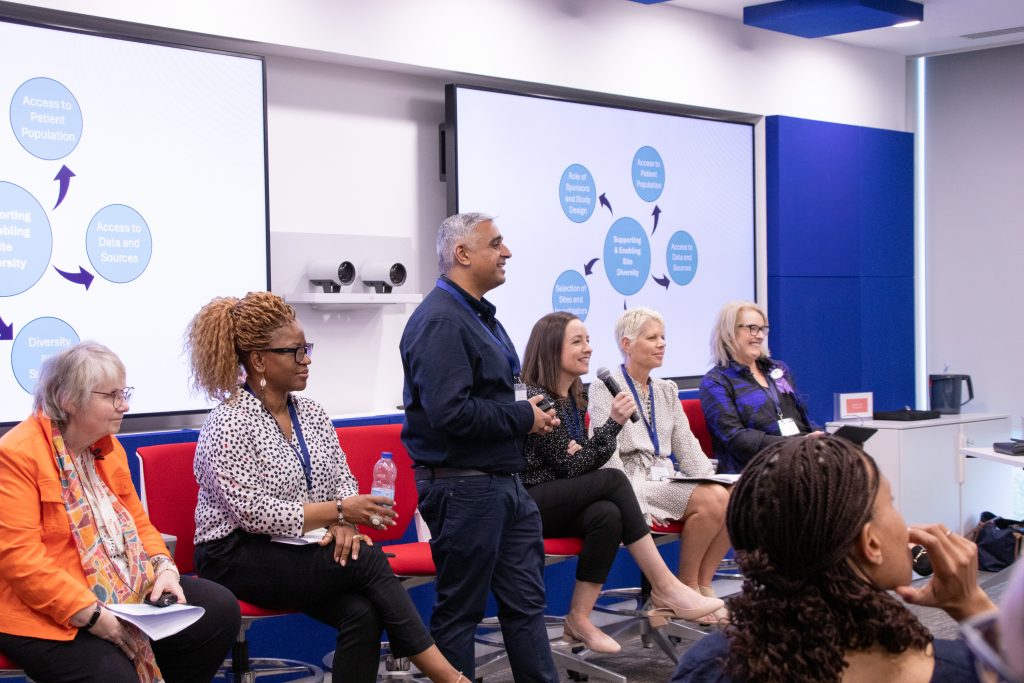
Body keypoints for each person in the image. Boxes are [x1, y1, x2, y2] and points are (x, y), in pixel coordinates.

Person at [186, 291, 463, 683]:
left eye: (307, 349)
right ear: (259, 360)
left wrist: (344, 525)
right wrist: (339, 513)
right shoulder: (228, 422)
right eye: (295, 352)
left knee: (362, 614)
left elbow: (342, 480)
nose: (307, 360)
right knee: (367, 560)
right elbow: (254, 514)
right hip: (233, 554)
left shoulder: (312, 413)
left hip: (294, 546)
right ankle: (449, 677)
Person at [0, 341, 240, 683]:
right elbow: (21, 562)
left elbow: (140, 525)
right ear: (69, 400)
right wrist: (91, 615)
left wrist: (164, 569)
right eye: (112, 396)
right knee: (113, 676)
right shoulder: (16, 454)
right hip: (45, 607)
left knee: (219, 611)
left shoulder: (107, 447)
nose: (124, 405)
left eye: (124, 393)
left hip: (121, 588)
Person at [672, 434, 997, 683]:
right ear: (871, 543)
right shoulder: (964, 670)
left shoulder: (710, 665)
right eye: (892, 503)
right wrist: (973, 604)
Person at [400, 212, 561, 681]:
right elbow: (450, 414)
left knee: (526, 607)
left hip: (504, 484)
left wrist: (528, 414)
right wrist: (523, 417)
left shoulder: (478, 316)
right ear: (462, 254)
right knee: (460, 613)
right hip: (464, 489)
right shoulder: (440, 321)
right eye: (495, 243)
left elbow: (492, 397)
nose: (506, 252)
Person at [520, 311, 724, 653]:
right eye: (577, 341)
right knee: (614, 480)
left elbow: (581, 459)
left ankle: (579, 618)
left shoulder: (573, 396)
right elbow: (573, 466)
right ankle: (666, 586)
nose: (589, 348)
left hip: (560, 496)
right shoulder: (539, 397)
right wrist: (611, 426)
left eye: (588, 340)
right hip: (528, 500)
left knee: (607, 515)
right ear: (553, 348)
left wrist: (585, 450)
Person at [589, 307, 731, 622]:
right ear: (627, 345)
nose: (662, 344)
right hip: (629, 481)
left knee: (730, 496)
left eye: (663, 337)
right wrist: (624, 497)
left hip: (665, 478)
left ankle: (703, 587)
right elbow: (605, 451)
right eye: (652, 338)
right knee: (710, 500)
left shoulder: (666, 390)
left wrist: (714, 480)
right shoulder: (604, 388)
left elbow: (687, 445)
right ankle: (685, 588)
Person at [699, 300, 818, 473]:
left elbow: (801, 418)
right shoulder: (715, 381)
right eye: (752, 328)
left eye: (762, 329)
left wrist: (820, 438)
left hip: (798, 458)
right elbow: (735, 438)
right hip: (753, 471)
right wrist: (795, 445)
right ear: (729, 332)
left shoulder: (778, 369)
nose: (760, 336)